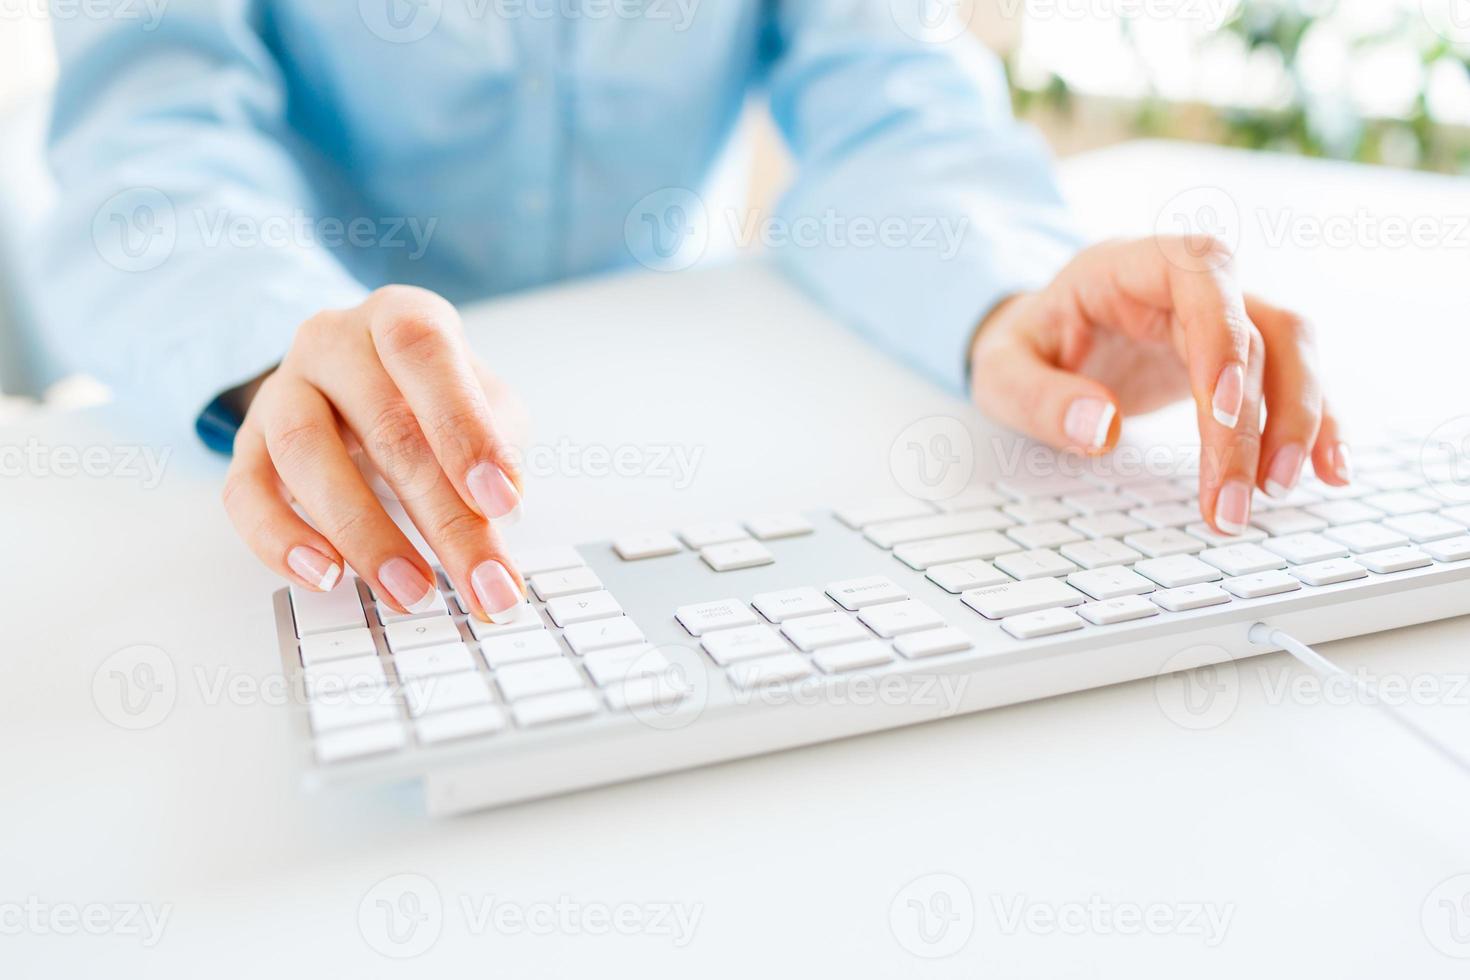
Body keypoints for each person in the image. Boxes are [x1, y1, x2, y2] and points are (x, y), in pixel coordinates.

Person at [36, 1, 1347, 621]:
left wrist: (1007, 294)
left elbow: (883, 99)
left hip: (680, 437)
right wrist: (278, 354)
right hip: (308, 442)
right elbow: (150, 139)